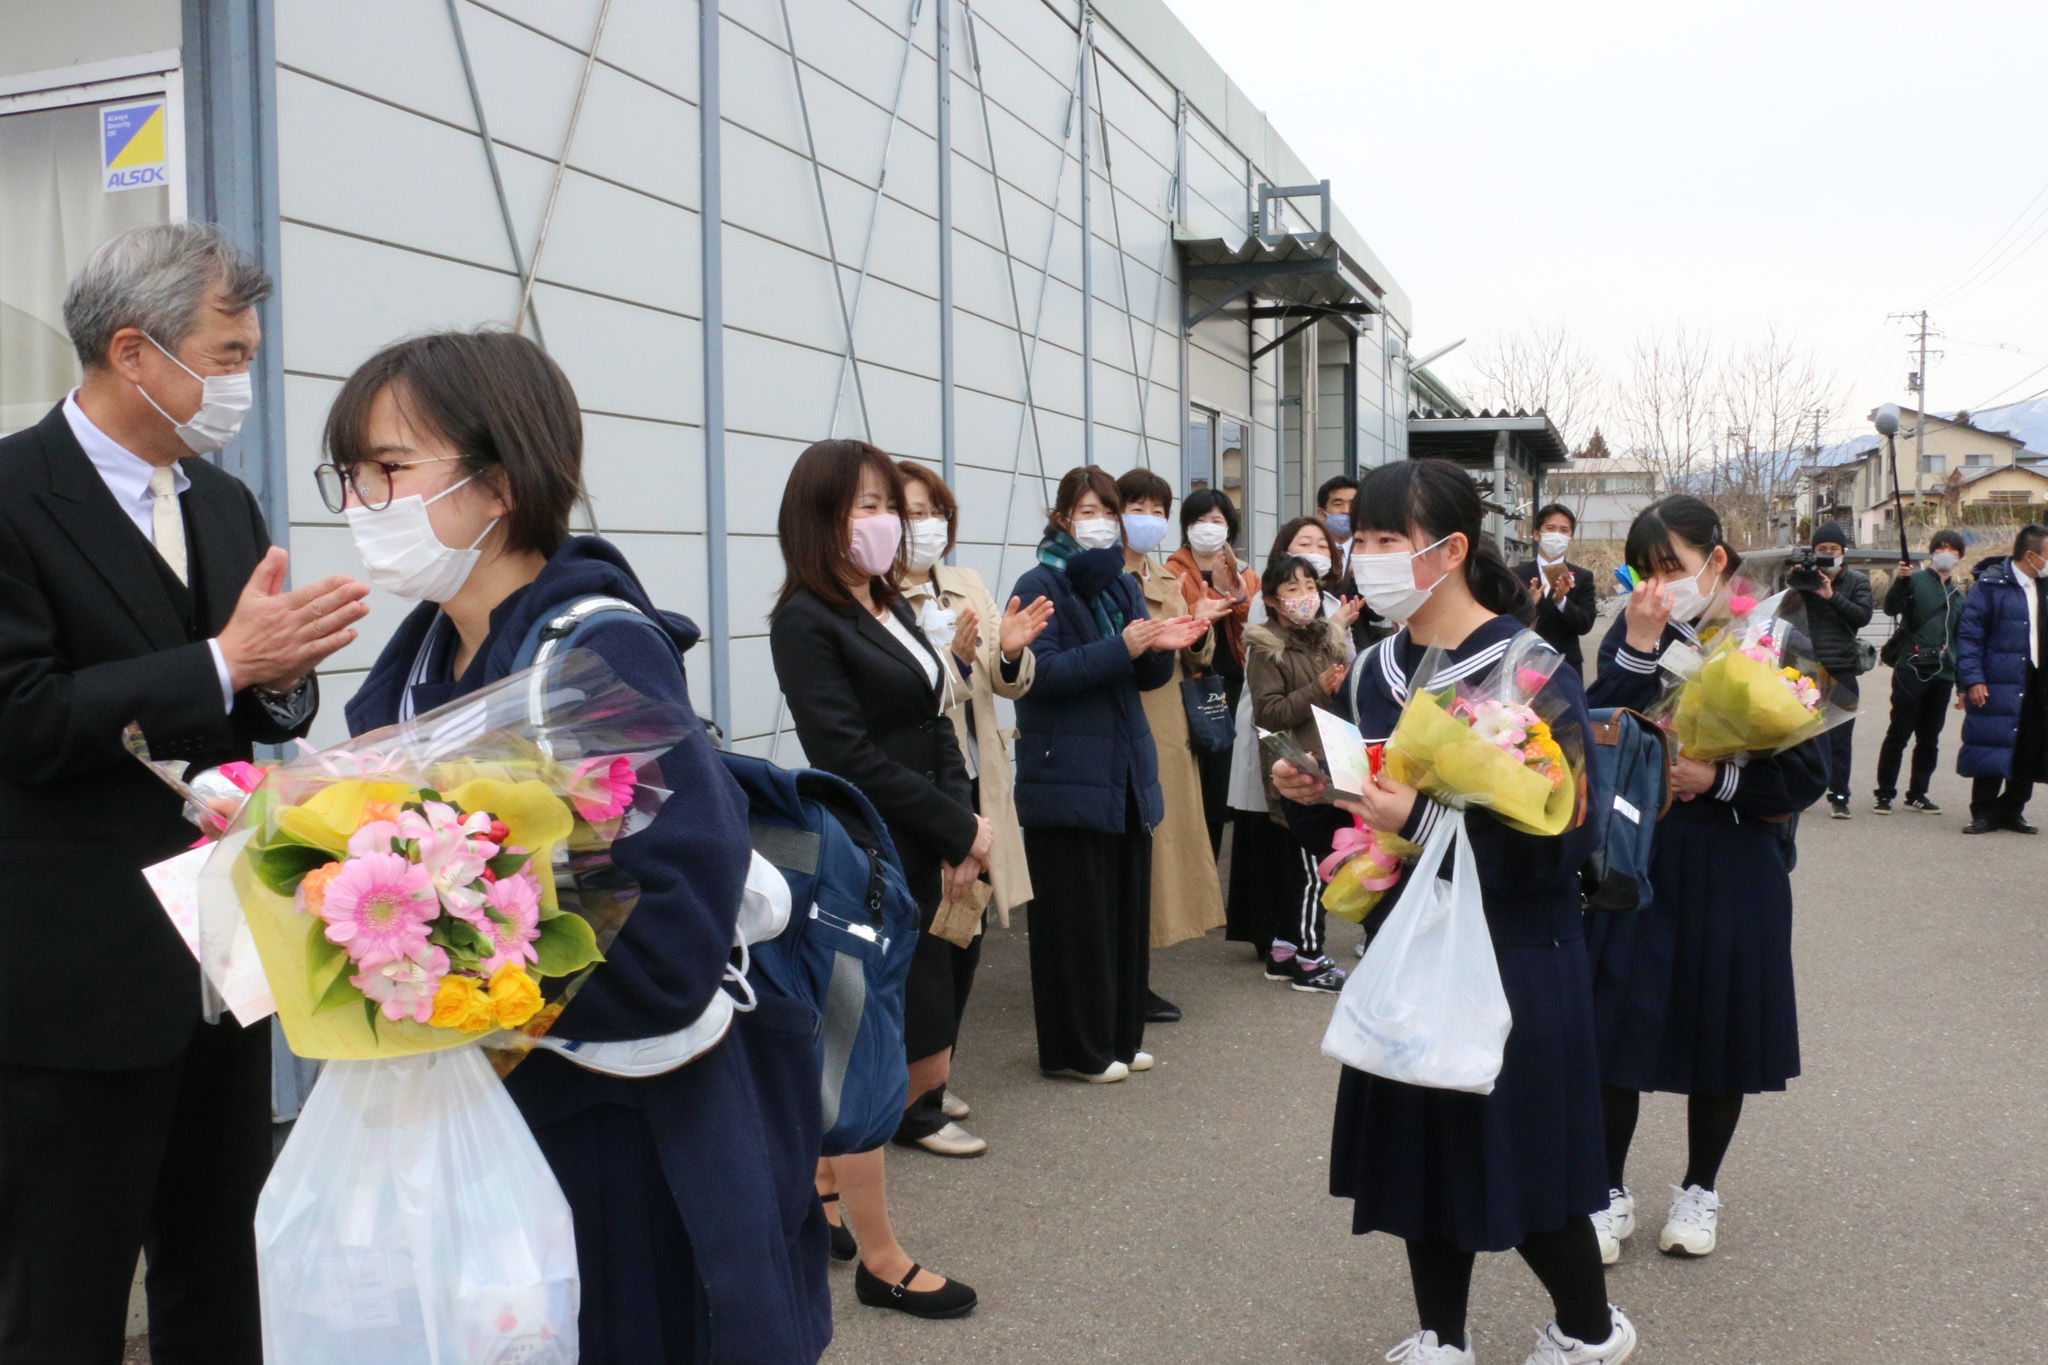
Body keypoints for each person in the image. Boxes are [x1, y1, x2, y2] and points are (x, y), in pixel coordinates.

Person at [333, 330, 830, 1362]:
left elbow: (670, 940)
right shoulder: (427, 654)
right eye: (348, 473)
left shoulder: (593, 653)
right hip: (481, 1121)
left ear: (499, 481)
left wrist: (457, 962)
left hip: (616, 1130)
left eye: (386, 470)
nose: (359, 503)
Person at [0, 223, 365, 1365]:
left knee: (224, 1273)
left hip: (220, 960)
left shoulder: (221, 501)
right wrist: (220, 662)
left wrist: (285, 687)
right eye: (228, 352)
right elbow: (22, 715)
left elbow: (253, 709)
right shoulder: (13, 494)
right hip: (73, 980)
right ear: (133, 353)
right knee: (62, 1292)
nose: (242, 381)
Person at [1275, 459, 1635, 1365]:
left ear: (1452, 550)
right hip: (1408, 938)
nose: (1371, 558)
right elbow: (1372, 812)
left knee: (1523, 1159)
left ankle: (1591, 1333)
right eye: (1365, 540)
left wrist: (1426, 815)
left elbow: (1566, 836)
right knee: (1422, 1154)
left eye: (1392, 541)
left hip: (1517, 941)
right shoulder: (1368, 669)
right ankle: (1443, 1335)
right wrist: (1316, 793)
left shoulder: (1530, 665)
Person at [769, 440, 986, 1318]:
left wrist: (963, 823)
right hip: (867, 854)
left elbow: (937, 710)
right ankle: (882, 1257)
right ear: (819, 517)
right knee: (867, 1051)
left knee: (893, 1039)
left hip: (927, 841)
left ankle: (821, 1193)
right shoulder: (805, 619)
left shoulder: (888, 600)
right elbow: (845, 752)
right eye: (863, 505)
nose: (887, 520)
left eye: (887, 503)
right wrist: (954, 823)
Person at [1582, 495, 1826, 1270]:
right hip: (1640, 855)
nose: (1657, 585)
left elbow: (1807, 772)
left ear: (1716, 562)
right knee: (1616, 1021)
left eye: (1672, 568)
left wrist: (1715, 777)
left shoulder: (1771, 638)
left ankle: (1700, 1188)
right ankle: (1606, 1190)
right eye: (1644, 571)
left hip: (1733, 859)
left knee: (1720, 1027)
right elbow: (1593, 730)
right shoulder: (1633, 631)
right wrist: (1639, 647)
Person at [1012, 467, 1203, 1083]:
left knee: (1121, 915)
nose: (1099, 521)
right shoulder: (1038, 583)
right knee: (1075, 921)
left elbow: (1141, 680)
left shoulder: (1120, 585)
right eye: (1087, 510)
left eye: (1108, 511)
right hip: (1064, 773)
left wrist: (1158, 650)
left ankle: (1120, 1037)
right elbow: (1040, 677)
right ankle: (1078, 1050)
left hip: (1123, 773)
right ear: (1063, 516)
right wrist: (1123, 647)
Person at [892, 459, 1053, 1154]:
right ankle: (913, 1100)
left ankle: (934, 1074)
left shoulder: (967, 584)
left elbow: (1002, 680)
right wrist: (953, 669)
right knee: (926, 943)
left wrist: (1010, 655)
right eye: (905, 511)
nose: (921, 525)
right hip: (925, 791)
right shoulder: (875, 599)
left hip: (980, 783)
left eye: (930, 510)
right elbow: (913, 698)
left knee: (965, 933)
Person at [1116, 468, 1230, 1022]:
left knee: (1159, 854)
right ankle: (1118, 981)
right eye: (1137, 505)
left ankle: (1137, 976)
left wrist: (1201, 626)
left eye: (1158, 508)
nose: (1148, 518)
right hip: (1119, 725)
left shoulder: (1164, 577)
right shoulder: (1101, 579)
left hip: (1165, 729)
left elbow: (1197, 658)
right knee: (1125, 856)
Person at [1222, 516, 1353, 959]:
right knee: (1307, 871)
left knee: (1312, 867)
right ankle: (1306, 956)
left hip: (1326, 767)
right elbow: (1271, 713)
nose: (1305, 597)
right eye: (1293, 590)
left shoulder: (1323, 640)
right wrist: (1319, 689)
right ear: (1273, 601)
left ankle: (1287, 948)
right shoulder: (1266, 646)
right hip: (1293, 771)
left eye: (1310, 587)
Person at [1167, 488, 1254, 853]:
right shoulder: (1170, 573)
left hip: (1232, 688)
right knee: (1192, 786)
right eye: (1199, 520)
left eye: (1216, 521)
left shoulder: (1247, 574)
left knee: (1221, 788)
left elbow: (1256, 631)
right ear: (1186, 528)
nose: (1207, 527)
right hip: (1189, 687)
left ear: (1230, 529)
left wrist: (1234, 594)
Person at [1955, 524, 2048, 835]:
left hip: (2037, 678)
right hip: (1998, 677)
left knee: (2029, 746)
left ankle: (2013, 810)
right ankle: (1983, 811)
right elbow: (1969, 637)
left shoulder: (2043, 586)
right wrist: (1973, 679)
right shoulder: (1990, 586)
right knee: (1991, 743)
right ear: (2031, 555)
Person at [1873, 529, 1967, 814]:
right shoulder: (1913, 580)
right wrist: (1900, 581)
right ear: (1932, 552)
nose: (1946, 553)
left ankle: (1918, 793)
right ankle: (1885, 793)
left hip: (1943, 673)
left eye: (1951, 549)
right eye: (1940, 548)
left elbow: (1962, 640)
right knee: (1898, 733)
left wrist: (1962, 683)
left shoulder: (1959, 596)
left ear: (1959, 556)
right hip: (1910, 668)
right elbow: (1890, 608)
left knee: (1929, 738)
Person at [1797, 521, 1873, 819]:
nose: (1827, 554)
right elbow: (1789, 612)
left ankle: (1839, 795)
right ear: (1812, 552)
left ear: (1844, 553)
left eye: (1833, 550)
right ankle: (1800, 791)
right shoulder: (1805, 578)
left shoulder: (1857, 581)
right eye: (1821, 550)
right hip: (1807, 668)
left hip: (1842, 667)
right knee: (1802, 735)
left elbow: (1862, 616)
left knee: (1841, 737)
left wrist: (1831, 595)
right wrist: (1799, 581)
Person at [1514, 503, 1598, 677]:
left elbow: (1585, 625)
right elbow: (1503, 621)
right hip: (1524, 663)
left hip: (1565, 664)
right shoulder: (1515, 575)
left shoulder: (1582, 577)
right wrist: (1528, 604)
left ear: (1571, 538)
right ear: (1537, 534)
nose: (1557, 535)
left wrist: (1562, 602)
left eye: (1564, 530)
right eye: (1550, 528)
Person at [1317, 473, 1359, 572]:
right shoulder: (1313, 551)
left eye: (1352, 504)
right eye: (1338, 504)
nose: (1346, 510)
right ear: (1322, 514)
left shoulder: (1368, 552)